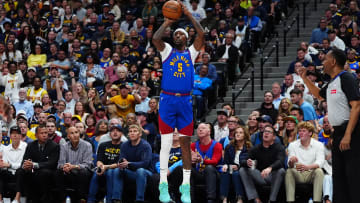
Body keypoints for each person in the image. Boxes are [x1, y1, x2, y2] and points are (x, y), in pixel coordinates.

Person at [152, 0, 205, 202]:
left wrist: (189, 15)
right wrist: (167, 22)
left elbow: (202, 35)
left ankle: (185, 187)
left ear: (186, 37)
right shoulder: (167, 51)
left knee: (185, 144)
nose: (177, 36)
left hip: (184, 101)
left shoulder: (191, 53)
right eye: (175, 34)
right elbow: (156, 38)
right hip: (167, 100)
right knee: (166, 144)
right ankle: (162, 185)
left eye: (180, 33)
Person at [298, 48, 360, 203]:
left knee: (352, 176)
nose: (322, 63)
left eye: (325, 59)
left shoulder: (346, 78)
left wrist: (348, 134)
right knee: (338, 176)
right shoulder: (332, 81)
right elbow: (319, 94)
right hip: (338, 132)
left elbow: (357, 105)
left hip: (351, 132)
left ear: (333, 62)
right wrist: (305, 79)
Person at [13, 124, 60, 203]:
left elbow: (52, 163)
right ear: (36, 135)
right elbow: (25, 160)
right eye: (42, 133)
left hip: (47, 171)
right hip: (33, 170)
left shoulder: (54, 146)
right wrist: (25, 165)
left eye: (46, 133)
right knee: (20, 171)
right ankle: (17, 198)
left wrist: (34, 165)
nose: (45, 135)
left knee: (43, 173)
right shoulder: (31, 145)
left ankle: (43, 199)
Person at [239, 126, 286, 203]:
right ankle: (255, 198)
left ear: (274, 137)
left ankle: (271, 200)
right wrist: (247, 162)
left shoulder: (279, 147)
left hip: (272, 176)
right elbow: (243, 161)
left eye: (269, 132)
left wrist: (270, 168)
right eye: (265, 131)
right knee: (242, 169)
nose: (266, 133)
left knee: (281, 171)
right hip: (259, 175)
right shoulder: (256, 148)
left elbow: (280, 161)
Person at [285, 121, 325, 203]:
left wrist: (307, 167)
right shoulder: (292, 145)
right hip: (298, 173)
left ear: (310, 133)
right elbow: (289, 164)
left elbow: (320, 162)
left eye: (304, 131)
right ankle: (290, 201)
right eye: (300, 131)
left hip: (311, 173)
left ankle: (316, 201)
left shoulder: (319, 145)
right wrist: (291, 161)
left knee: (319, 171)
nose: (301, 133)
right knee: (289, 171)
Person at [111, 124, 153, 202]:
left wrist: (129, 164)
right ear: (128, 134)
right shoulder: (124, 145)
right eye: (130, 131)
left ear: (140, 134)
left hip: (146, 173)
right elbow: (122, 159)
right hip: (131, 172)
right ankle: (116, 199)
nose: (132, 133)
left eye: (135, 131)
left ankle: (139, 200)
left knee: (140, 170)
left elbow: (145, 163)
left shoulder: (145, 146)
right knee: (117, 170)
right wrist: (121, 163)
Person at [55, 127, 93, 203]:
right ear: (68, 136)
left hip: (82, 171)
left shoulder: (87, 145)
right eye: (72, 133)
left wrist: (73, 166)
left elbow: (88, 164)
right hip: (69, 172)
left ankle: (82, 198)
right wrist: (64, 167)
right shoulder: (64, 146)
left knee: (83, 172)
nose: (75, 135)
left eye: (76, 132)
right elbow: (60, 164)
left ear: (79, 134)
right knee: (58, 172)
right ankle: (63, 199)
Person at [88, 124, 124, 203]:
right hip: (104, 168)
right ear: (110, 134)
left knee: (111, 173)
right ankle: (91, 200)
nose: (115, 132)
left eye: (117, 131)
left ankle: (109, 200)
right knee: (96, 173)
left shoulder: (124, 146)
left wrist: (106, 167)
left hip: (117, 170)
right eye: (112, 131)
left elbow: (120, 163)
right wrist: (101, 166)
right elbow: (99, 160)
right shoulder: (103, 145)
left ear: (121, 133)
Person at [190, 123, 222, 203]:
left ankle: (210, 200)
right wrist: (192, 161)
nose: (200, 130)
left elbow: (215, 161)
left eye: (203, 128)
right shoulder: (193, 145)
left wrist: (202, 161)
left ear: (209, 131)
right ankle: (189, 199)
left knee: (209, 168)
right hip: (198, 173)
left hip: (214, 173)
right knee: (187, 169)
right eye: (198, 128)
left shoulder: (217, 145)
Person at [220, 126, 251, 203]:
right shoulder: (229, 147)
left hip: (244, 170)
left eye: (240, 133)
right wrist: (226, 166)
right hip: (231, 169)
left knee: (236, 174)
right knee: (225, 173)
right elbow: (226, 162)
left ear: (245, 135)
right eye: (236, 132)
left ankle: (240, 199)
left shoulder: (249, 148)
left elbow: (249, 163)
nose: (238, 134)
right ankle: (224, 199)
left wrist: (238, 166)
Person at [0, 126, 27, 203]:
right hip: (10, 173)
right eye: (13, 133)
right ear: (10, 136)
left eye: (17, 133)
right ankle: (0, 199)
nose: (15, 135)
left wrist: (10, 165)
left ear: (20, 136)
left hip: (22, 173)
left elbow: (24, 164)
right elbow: (4, 165)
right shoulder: (6, 148)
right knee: (1, 172)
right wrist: (2, 164)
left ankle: (17, 198)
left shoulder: (26, 146)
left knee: (20, 171)